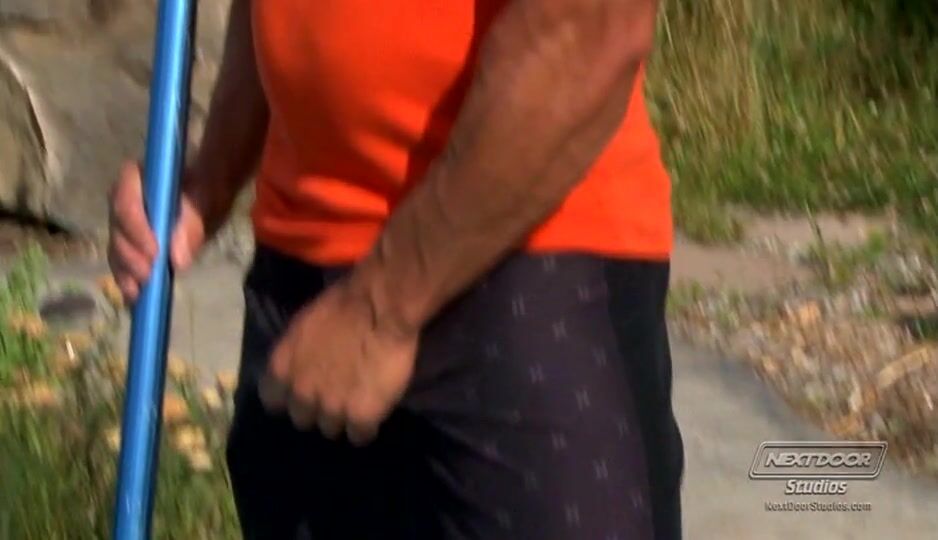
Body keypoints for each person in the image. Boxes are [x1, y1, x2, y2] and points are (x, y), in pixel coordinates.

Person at [107, 0, 684, 538]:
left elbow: (590, 32)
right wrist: (211, 174)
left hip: (525, 269)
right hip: (305, 277)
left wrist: (380, 310)